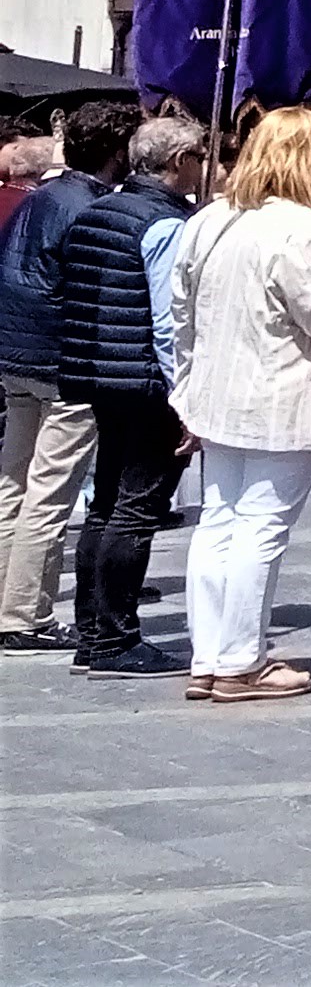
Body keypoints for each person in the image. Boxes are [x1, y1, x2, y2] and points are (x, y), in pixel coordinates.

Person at [164, 107, 311, 701]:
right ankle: (239, 661)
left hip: (218, 392)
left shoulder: (211, 218)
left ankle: (210, 655)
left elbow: (179, 314)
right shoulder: (300, 229)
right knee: (260, 527)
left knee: (220, 522)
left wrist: (184, 388)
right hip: (281, 397)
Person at [44, 114, 209, 677]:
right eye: (198, 158)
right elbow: (169, 320)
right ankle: (115, 638)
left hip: (98, 371)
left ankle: (93, 634)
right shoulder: (163, 223)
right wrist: (182, 395)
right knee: (136, 509)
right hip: (143, 379)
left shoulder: (99, 210)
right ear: (179, 161)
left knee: (107, 504)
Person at [0, 105, 129, 650]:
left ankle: (8, 603)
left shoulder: (42, 198)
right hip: (61, 365)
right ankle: (23, 614)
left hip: (16, 353)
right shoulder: (91, 207)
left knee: (13, 484)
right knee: (49, 493)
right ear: (117, 153)